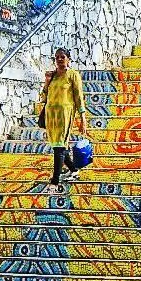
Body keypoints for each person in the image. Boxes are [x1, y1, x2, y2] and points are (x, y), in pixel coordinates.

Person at [44, 48, 87, 193]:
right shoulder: (53, 75)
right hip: (51, 115)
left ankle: (54, 181)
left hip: (65, 115)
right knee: (58, 146)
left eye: (62, 57)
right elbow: (44, 95)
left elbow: (79, 96)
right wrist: (47, 81)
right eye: (57, 57)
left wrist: (82, 117)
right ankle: (74, 170)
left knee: (59, 147)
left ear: (68, 59)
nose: (60, 59)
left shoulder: (73, 75)